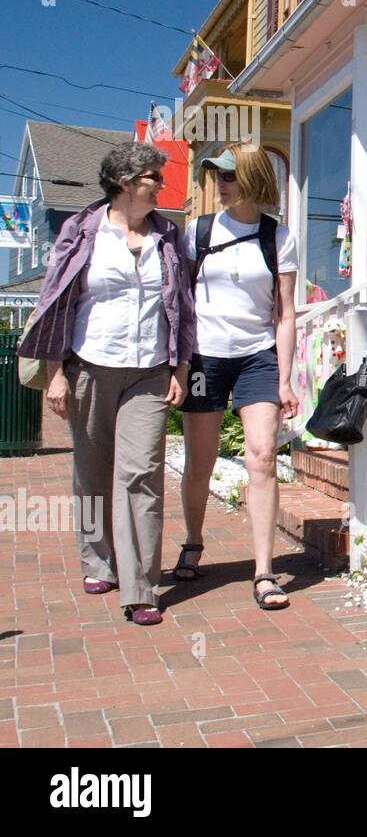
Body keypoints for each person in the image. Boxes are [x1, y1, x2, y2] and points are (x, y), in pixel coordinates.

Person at [18, 143, 194, 625]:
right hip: (90, 364)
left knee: (140, 473)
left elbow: (184, 306)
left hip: (150, 370)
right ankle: (98, 561)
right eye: (153, 177)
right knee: (93, 472)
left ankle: (140, 587)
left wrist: (180, 369)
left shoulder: (167, 236)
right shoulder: (81, 232)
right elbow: (56, 301)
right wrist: (55, 373)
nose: (161, 184)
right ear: (125, 181)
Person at [176, 144, 299, 610]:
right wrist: (180, 362)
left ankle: (265, 571)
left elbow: (285, 314)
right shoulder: (199, 232)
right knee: (201, 461)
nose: (220, 184)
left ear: (250, 179)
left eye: (229, 176)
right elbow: (182, 303)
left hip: (257, 358)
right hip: (205, 360)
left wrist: (285, 379)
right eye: (217, 176)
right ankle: (192, 540)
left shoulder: (278, 237)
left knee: (263, 456)